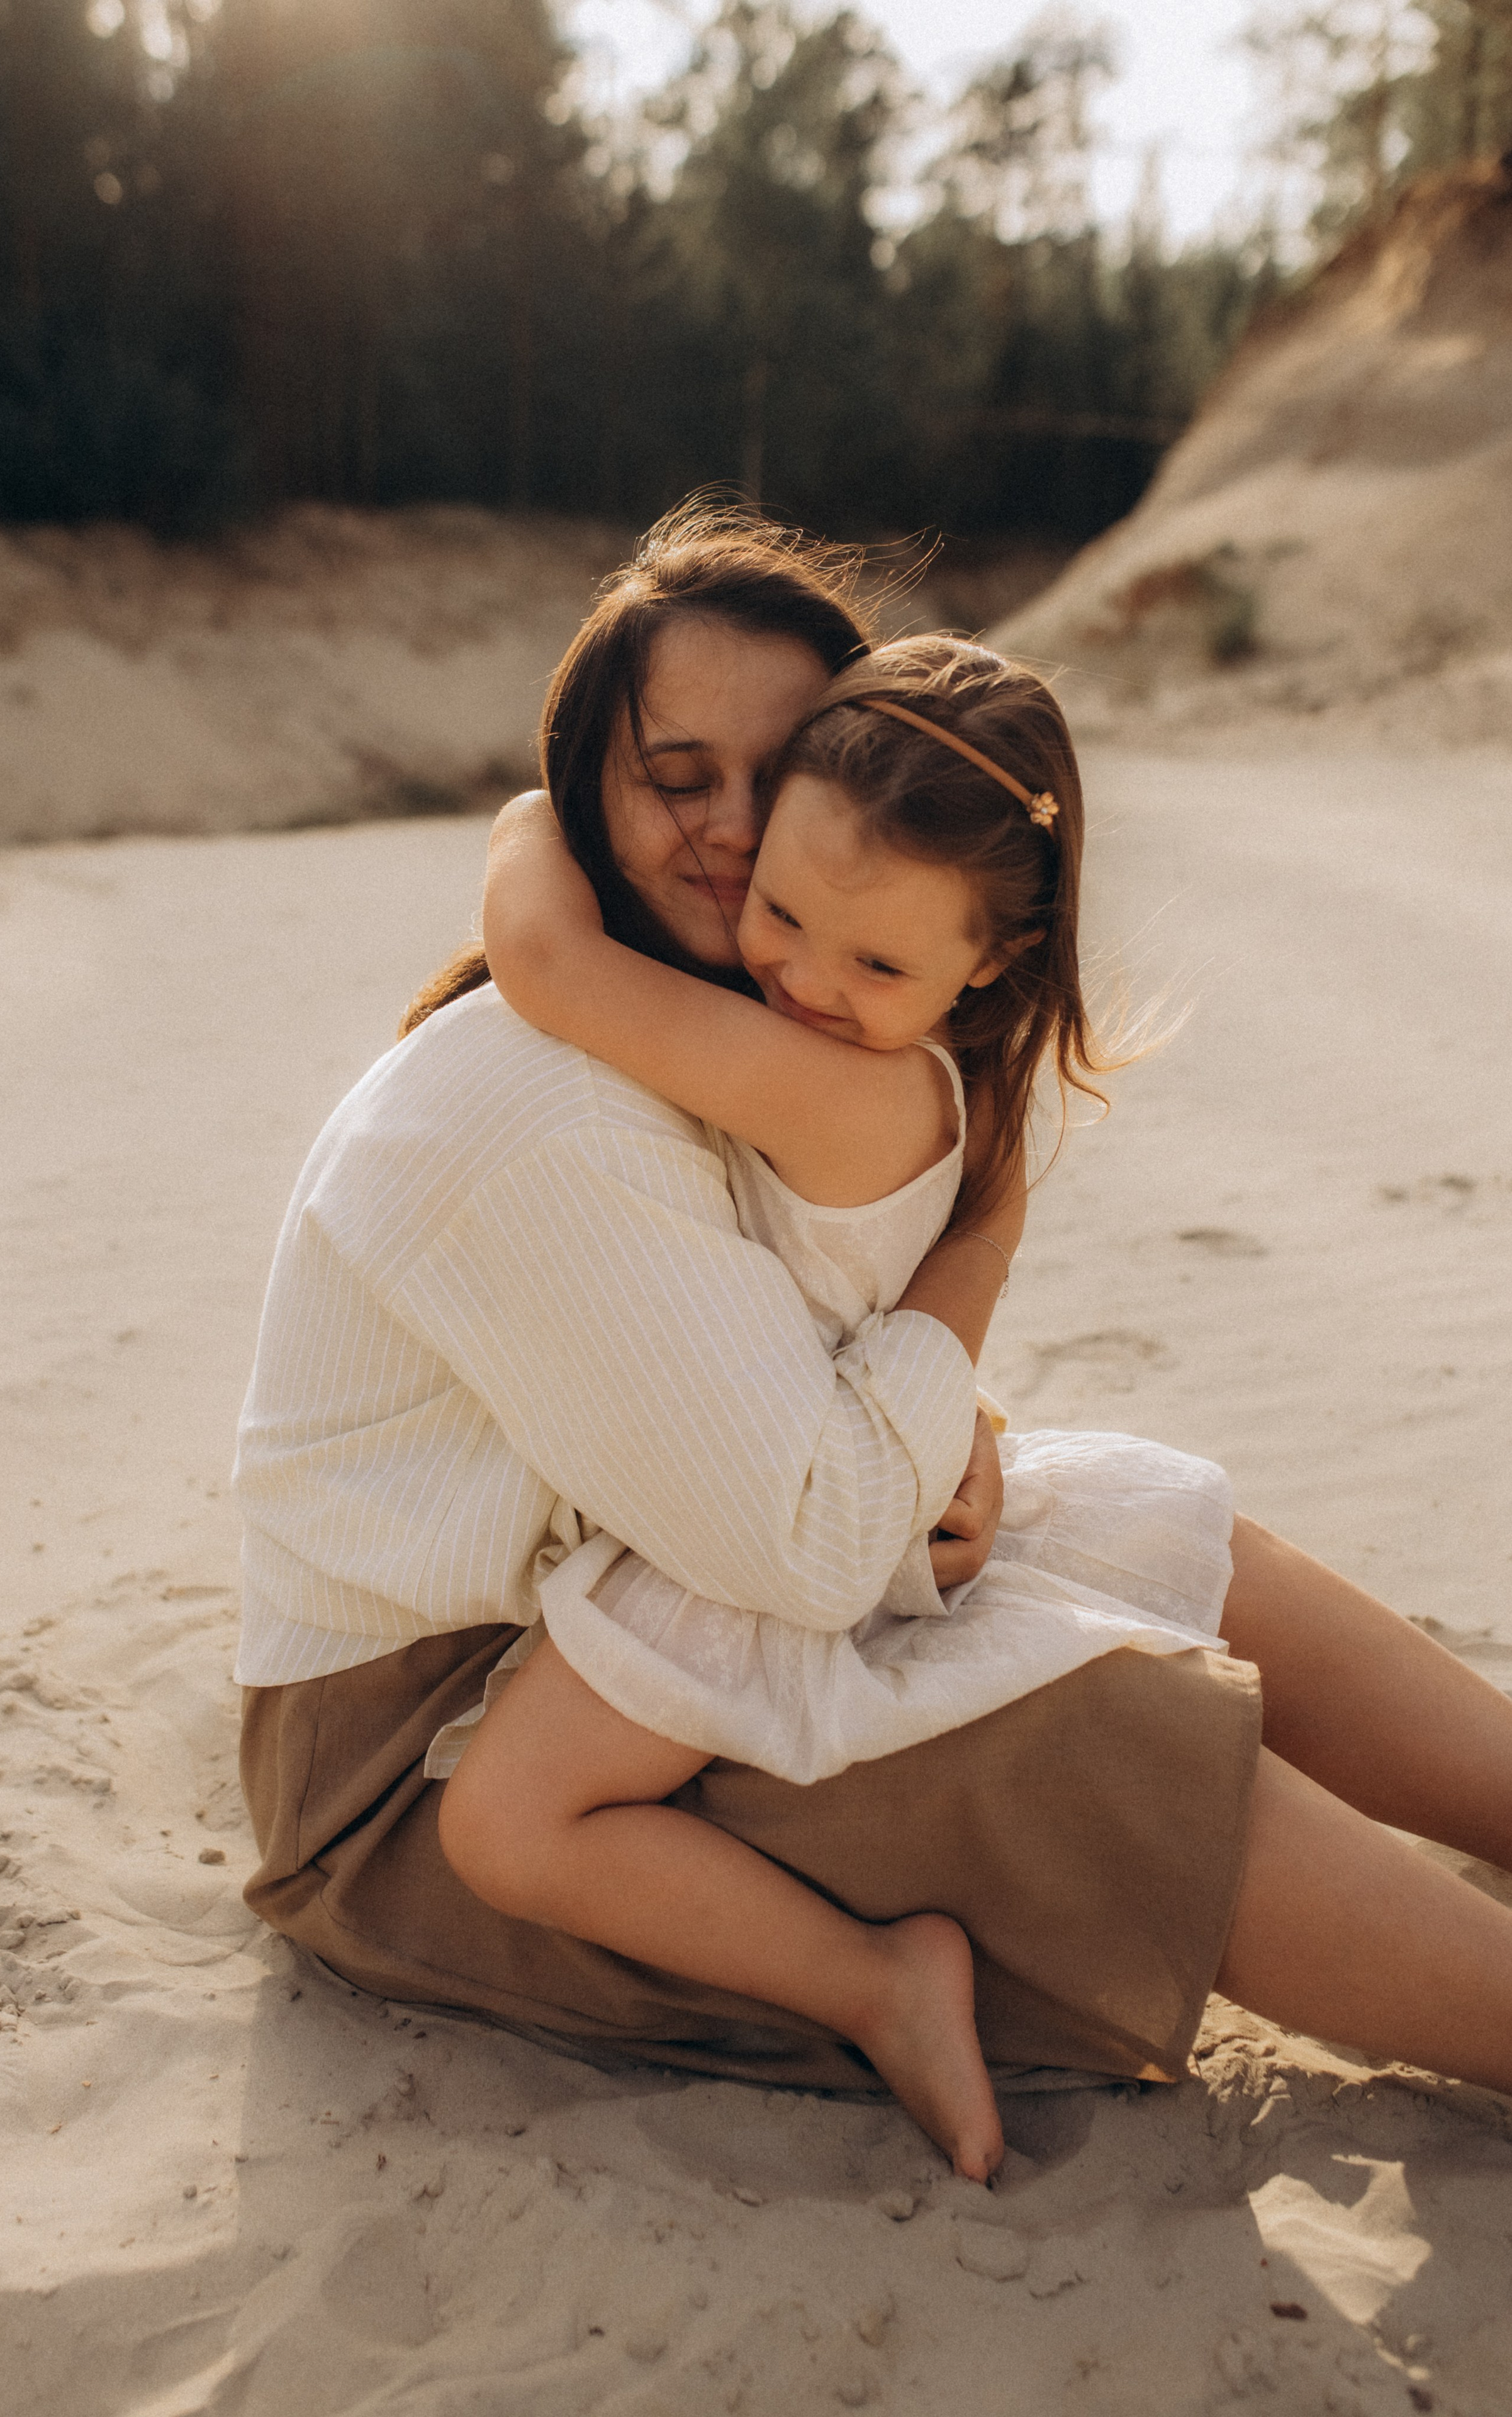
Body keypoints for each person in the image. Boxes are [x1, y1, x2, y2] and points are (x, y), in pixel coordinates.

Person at [235, 500, 1512, 2146]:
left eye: (780, 767)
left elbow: (775, 1383)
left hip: (614, 1600)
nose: (740, 828)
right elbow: (818, 1545)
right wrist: (977, 1260)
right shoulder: (540, 1108)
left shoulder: (713, 1033)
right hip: (410, 1784)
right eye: (674, 773)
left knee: (1132, 1524)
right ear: (583, 787)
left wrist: (958, 1435)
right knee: (1073, 1726)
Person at [435, 634, 1237, 2181]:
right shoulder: (906, 1061)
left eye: (874, 966)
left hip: (779, 1515)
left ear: (986, 963)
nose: (800, 980)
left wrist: (535, 817)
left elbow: (543, 969)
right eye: (780, 913)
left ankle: (870, 1978)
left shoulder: (840, 1085)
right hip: (809, 1449)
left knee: (505, 1826)